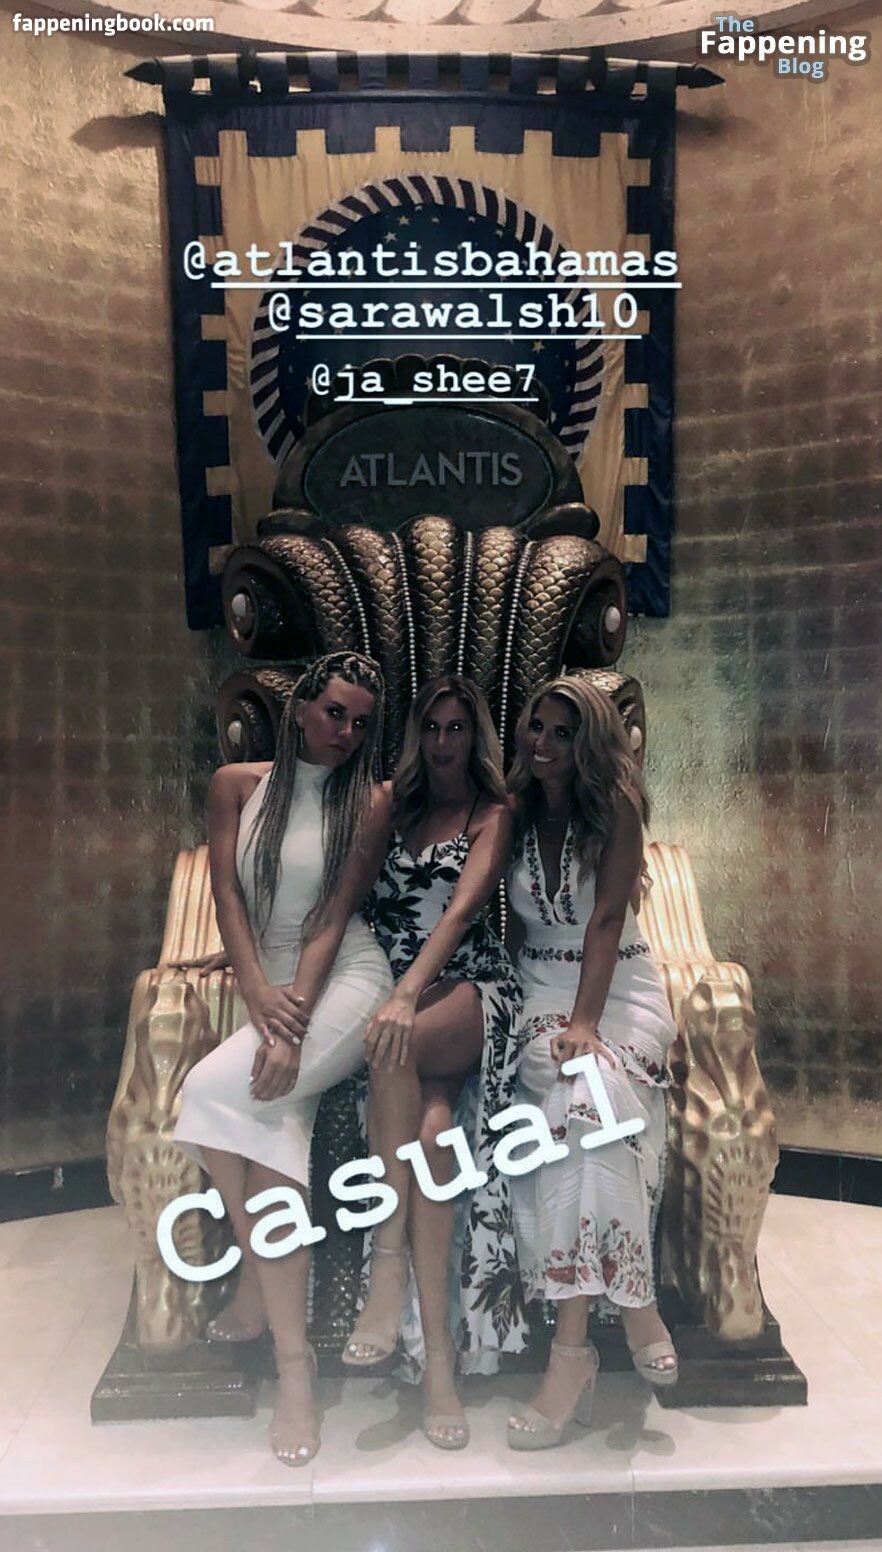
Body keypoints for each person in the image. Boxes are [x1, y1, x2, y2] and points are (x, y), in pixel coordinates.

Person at [173, 651, 393, 1468]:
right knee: (251, 1121)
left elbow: (332, 916)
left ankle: (278, 1338)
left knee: (221, 1094)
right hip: (271, 986)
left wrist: (290, 1021)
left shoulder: (366, 801)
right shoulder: (236, 785)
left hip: (341, 981)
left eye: (362, 723)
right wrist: (255, 990)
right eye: (335, 713)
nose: (347, 733)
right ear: (300, 708)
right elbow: (230, 897)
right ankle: (288, 1348)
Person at [342, 674, 527, 1449]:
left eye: (457, 728)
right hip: (403, 1000)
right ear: (416, 736)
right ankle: (439, 1370)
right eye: (432, 728)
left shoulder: (493, 812)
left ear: (475, 735)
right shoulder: (393, 806)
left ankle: (386, 1271)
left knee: (394, 1041)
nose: (444, 742)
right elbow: (344, 897)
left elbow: (459, 915)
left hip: (472, 991)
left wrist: (404, 996)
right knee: (433, 1141)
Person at [504, 675, 677, 1450]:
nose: (543, 743)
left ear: (590, 742)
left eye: (562, 732)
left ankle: (570, 1355)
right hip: (541, 986)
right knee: (588, 1096)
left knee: (588, 1092)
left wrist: (585, 1023)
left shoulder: (617, 809)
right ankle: (637, 1306)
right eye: (536, 726)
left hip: (620, 989)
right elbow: (509, 925)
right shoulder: (513, 808)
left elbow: (607, 919)